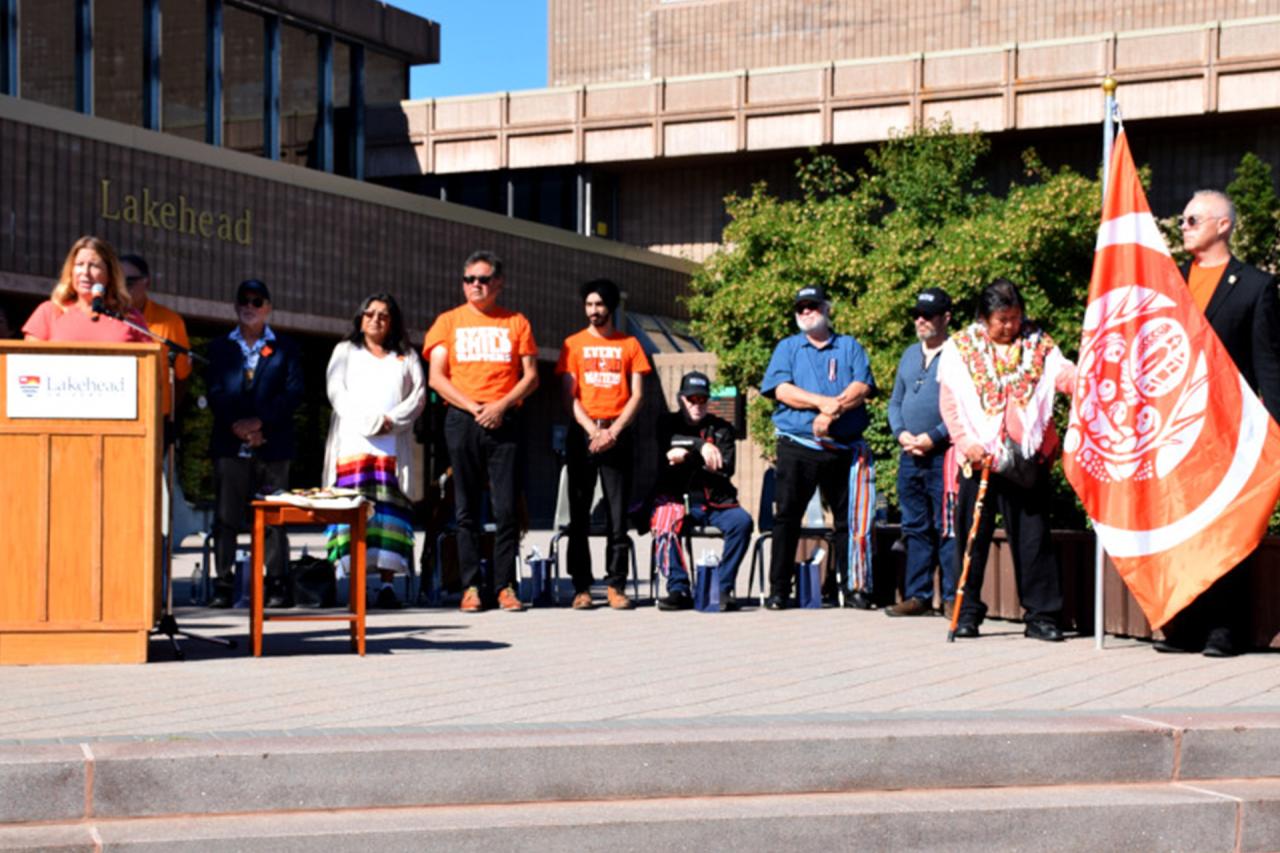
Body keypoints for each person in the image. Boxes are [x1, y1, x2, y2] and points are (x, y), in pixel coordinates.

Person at [1156, 190, 1280, 656]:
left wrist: (1275, 430)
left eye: (1191, 219)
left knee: (1227, 528)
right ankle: (1185, 624)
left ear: (1222, 225)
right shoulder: (1169, 282)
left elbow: (1268, 362)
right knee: (1182, 527)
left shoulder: (1254, 286)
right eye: (1183, 219)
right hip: (1175, 431)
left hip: (1230, 431)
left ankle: (1225, 629)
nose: (1183, 226)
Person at [937, 278, 1076, 642]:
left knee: (1032, 536)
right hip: (979, 457)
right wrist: (965, 441)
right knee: (972, 537)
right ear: (984, 318)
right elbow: (950, 401)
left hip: (1025, 457)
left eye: (1014, 318)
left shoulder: (1038, 343)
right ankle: (965, 612)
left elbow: (1060, 375)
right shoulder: (961, 347)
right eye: (1001, 319)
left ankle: (1042, 615)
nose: (1009, 326)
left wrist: (1085, 377)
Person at [424, 250, 539, 613]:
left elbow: (532, 376)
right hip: (463, 419)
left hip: (505, 421)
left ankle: (505, 585)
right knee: (465, 509)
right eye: (469, 279)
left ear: (498, 283)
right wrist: (474, 407)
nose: (476, 285)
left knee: (506, 508)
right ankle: (471, 585)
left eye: (483, 279)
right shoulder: (448, 321)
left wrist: (500, 406)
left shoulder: (516, 322)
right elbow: (437, 377)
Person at [760, 285, 876, 610]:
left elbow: (862, 385)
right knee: (787, 518)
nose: (806, 312)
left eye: (812, 306)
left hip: (841, 447)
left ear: (827, 308)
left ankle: (853, 588)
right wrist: (823, 405)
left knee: (847, 521)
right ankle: (779, 591)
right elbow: (782, 389)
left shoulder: (849, 346)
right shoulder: (788, 347)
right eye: (801, 308)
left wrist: (833, 411)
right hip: (797, 445)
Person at [323, 293, 427, 609]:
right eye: (370, 314)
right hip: (352, 449)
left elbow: (419, 395)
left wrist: (390, 420)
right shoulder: (345, 351)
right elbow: (335, 391)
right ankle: (354, 584)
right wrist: (370, 421)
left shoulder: (406, 354)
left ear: (392, 321)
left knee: (388, 519)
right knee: (353, 515)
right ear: (360, 317)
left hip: (390, 451)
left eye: (383, 315)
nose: (376, 320)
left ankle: (386, 586)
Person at [206, 279, 304, 609]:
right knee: (226, 516)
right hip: (229, 442)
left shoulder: (285, 348)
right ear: (235, 306)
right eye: (243, 300)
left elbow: (292, 394)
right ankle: (223, 582)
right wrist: (239, 427)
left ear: (268, 308)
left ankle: (276, 582)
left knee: (273, 517)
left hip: (272, 444)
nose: (249, 306)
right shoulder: (219, 347)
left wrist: (260, 424)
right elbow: (215, 392)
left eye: (257, 300)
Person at [556, 278, 651, 610]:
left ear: (611, 307)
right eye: (589, 305)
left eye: (599, 305)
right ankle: (581, 587)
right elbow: (568, 395)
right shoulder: (573, 344)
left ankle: (616, 585)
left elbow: (637, 394)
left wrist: (613, 432)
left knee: (616, 514)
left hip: (618, 435)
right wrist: (592, 432)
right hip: (582, 433)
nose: (593, 311)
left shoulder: (630, 345)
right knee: (579, 515)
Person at [652, 371, 753, 611]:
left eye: (702, 400)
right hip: (679, 501)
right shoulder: (666, 423)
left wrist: (687, 456)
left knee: (742, 522)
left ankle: (722, 586)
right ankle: (678, 588)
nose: (697, 405)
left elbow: (725, 468)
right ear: (680, 399)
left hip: (717, 502)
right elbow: (668, 443)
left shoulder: (723, 429)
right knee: (663, 520)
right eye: (691, 399)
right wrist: (702, 447)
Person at [886, 287, 957, 619]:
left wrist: (934, 437)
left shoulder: (958, 355)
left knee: (947, 526)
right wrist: (902, 434)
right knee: (915, 526)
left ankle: (952, 598)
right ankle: (918, 595)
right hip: (909, 455)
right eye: (917, 314)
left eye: (928, 315)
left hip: (943, 455)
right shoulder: (908, 354)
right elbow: (895, 402)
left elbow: (962, 408)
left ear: (946, 318)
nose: (920, 320)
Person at [23, 236, 149, 343]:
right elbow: (27, 365)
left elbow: (149, 366)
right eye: (79, 264)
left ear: (110, 274)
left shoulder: (130, 317)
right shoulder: (48, 312)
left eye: (94, 265)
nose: (85, 272)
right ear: (71, 271)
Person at [119, 254, 192, 421]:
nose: (123, 287)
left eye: (129, 282)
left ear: (147, 282)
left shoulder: (171, 322)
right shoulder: (103, 317)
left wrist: (168, 416)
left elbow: (181, 377)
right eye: (118, 281)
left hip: (156, 418)